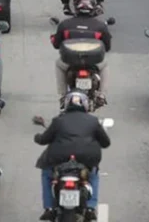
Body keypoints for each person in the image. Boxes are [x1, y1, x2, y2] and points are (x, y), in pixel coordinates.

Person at [34, 91, 111, 221]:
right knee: (93, 174)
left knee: (47, 173)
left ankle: (49, 208)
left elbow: (44, 139)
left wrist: (37, 137)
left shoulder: (58, 121)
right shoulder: (93, 121)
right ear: (85, 105)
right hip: (87, 159)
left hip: (59, 158)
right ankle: (91, 207)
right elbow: (106, 142)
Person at [50, 0, 112, 102]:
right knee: (104, 65)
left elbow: (56, 45)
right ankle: (101, 95)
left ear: (75, 9)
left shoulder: (65, 24)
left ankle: (63, 95)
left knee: (59, 64)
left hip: (70, 61)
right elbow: (108, 47)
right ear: (93, 10)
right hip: (93, 61)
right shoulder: (101, 26)